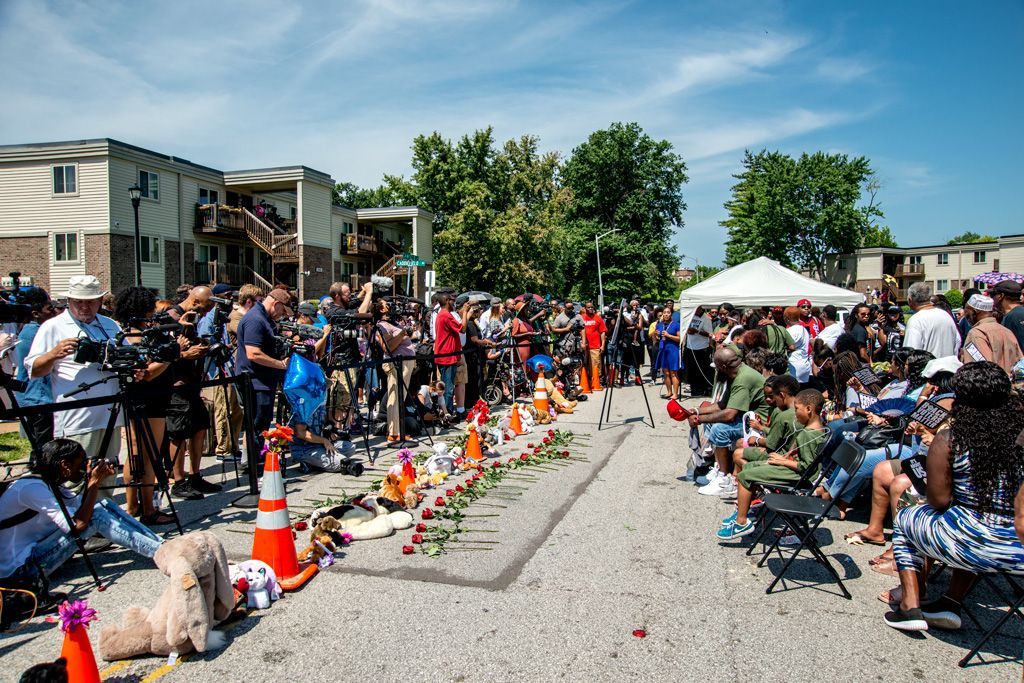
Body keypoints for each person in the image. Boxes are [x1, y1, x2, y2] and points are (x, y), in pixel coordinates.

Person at [884, 361, 1024, 631]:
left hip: (968, 544)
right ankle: (951, 601)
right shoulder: (1019, 440)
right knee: (974, 520)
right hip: (1017, 550)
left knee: (906, 517)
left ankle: (910, 604)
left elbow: (938, 501)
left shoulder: (951, 439)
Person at [0, 439, 162, 583]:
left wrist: (91, 481)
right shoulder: (32, 488)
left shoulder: (49, 481)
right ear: (65, 465)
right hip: (21, 569)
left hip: (33, 555)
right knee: (97, 516)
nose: (86, 466)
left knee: (103, 504)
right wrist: (93, 485)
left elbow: (82, 510)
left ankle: (163, 546)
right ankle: (162, 553)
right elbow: (78, 525)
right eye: (82, 462)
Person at [25, 275, 122, 489]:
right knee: (75, 480)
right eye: (79, 302)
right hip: (76, 418)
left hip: (110, 415)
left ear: (99, 301)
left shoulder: (110, 325)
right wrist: (54, 354)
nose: (84, 307)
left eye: (90, 301)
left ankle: (103, 518)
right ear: (69, 301)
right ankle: (77, 520)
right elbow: (34, 370)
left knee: (107, 476)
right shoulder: (53, 327)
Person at [718, 388, 827, 539]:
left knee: (745, 475)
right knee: (749, 466)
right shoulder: (814, 430)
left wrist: (782, 461)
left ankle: (741, 522)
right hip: (794, 470)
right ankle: (749, 507)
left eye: (797, 409)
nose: (795, 413)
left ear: (809, 409)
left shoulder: (808, 435)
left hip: (798, 476)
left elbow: (806, 467)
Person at [112, 287, 177, 523]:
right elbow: (148, 373)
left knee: (141, 455)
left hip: (149, 399)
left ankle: (139, 506)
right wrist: (170, 356)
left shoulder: (131, 333)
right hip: (146, 399)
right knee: (142, 455)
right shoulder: (135, 337)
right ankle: (141, 509)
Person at [693, 348, 770, 498]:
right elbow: (722, 404)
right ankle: (718, 467)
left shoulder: (742, 379)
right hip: (747, 417)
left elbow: (729, 414)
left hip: (758, 424)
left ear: (722, 367)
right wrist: (696, 411)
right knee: (711, 422)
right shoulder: (734, 374)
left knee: (719, 429)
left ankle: (724, 476)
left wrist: (699, 419)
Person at [236, 288, 293, 447]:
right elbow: (253, 354)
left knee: (262, 424)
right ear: (276, 304)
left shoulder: (264, 318)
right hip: (255, 381)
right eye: (282, 310)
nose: (282, 315)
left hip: (263, 380)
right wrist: (280, 364)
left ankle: (257, 459)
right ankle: (253, 463)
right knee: (257, 424)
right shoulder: (256, 319)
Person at [13, 288, 58, 454]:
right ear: (35, 313)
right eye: (49, 308)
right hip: (38, 399)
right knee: (43, 449)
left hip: (37, 397)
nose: (53, 312)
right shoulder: (34, 333)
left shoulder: (32, 330)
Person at [374, 297, 417, 443]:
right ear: (381, 309)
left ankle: (399, 430)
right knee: (395, 395)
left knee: (401, 397)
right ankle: (394, 433)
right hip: (397, 363)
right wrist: (402, 333)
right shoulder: (381, 325)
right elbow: (388, 347)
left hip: (406, 362)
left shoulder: (394, 322)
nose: (392, 307)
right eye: (388, 305)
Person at [959, 293, 1022, 374]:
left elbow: (979, 369)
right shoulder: (1007, 332)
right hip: (1009, 385)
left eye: (967, 313)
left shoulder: (976, 333)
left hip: (990, 385)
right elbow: (1020, 364)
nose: (966, 316)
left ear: (974, 312)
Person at [903, 282, 961, 357]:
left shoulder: (916, 320)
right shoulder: (946, 316)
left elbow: (910, 352)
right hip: (949, 366)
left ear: (910, 300)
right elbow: (957, 342)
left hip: (928, 368)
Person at [434, 294, 469, 414]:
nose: (454, 303)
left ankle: (446, 411)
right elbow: (463, 329)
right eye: (453, 300)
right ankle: (446, 413)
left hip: (448, 355)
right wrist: (465, 312)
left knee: (447, 386)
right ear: (447, 301)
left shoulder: (442, 314)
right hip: (447, 356)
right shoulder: (445, 315)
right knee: (447, 388)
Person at [684, 305, 714, 397]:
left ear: (701, 308)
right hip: (690, 346)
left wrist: (697, 331)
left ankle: (702, 389)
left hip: (701, 347)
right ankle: (694, 389)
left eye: (697, 308)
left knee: (701, 370)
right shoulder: (691, 316)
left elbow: (709, 334)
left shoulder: (706, 319)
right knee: (691, 370)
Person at [990, 279, 1024, 351]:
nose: (991, 298)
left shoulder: (1015, 316)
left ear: (1001, 296)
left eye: (992, 295)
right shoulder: (1013, 314)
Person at [654, 308, 681, 400]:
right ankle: (669, 392)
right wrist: (656, 335)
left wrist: (669, 335)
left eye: (668, 313)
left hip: (673, 350)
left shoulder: (676, 325)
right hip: (663, 349)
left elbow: (680, 338)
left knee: (673, 372)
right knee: (666, 372)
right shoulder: (660, 325)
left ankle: (675, 394)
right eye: (664, 313)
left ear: (671, 314)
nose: (666, 314)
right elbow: (656, 338)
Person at [580, 301, 607, 391]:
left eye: (592, 307)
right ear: (585, 308)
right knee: (585, 364)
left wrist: (602, 345)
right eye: (588, 307)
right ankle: (587, 382)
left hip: (595, 346)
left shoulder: (598, 318)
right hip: (585, 346)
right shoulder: (582, 318)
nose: (591, 309)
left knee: (596, 365)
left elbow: (603, 332)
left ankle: (596, 383)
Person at [784, 306, 811, 384]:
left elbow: (790, 346)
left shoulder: (791, 331)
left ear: (787, 318)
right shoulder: (804, 329)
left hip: (794, 366)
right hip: (804, 366)